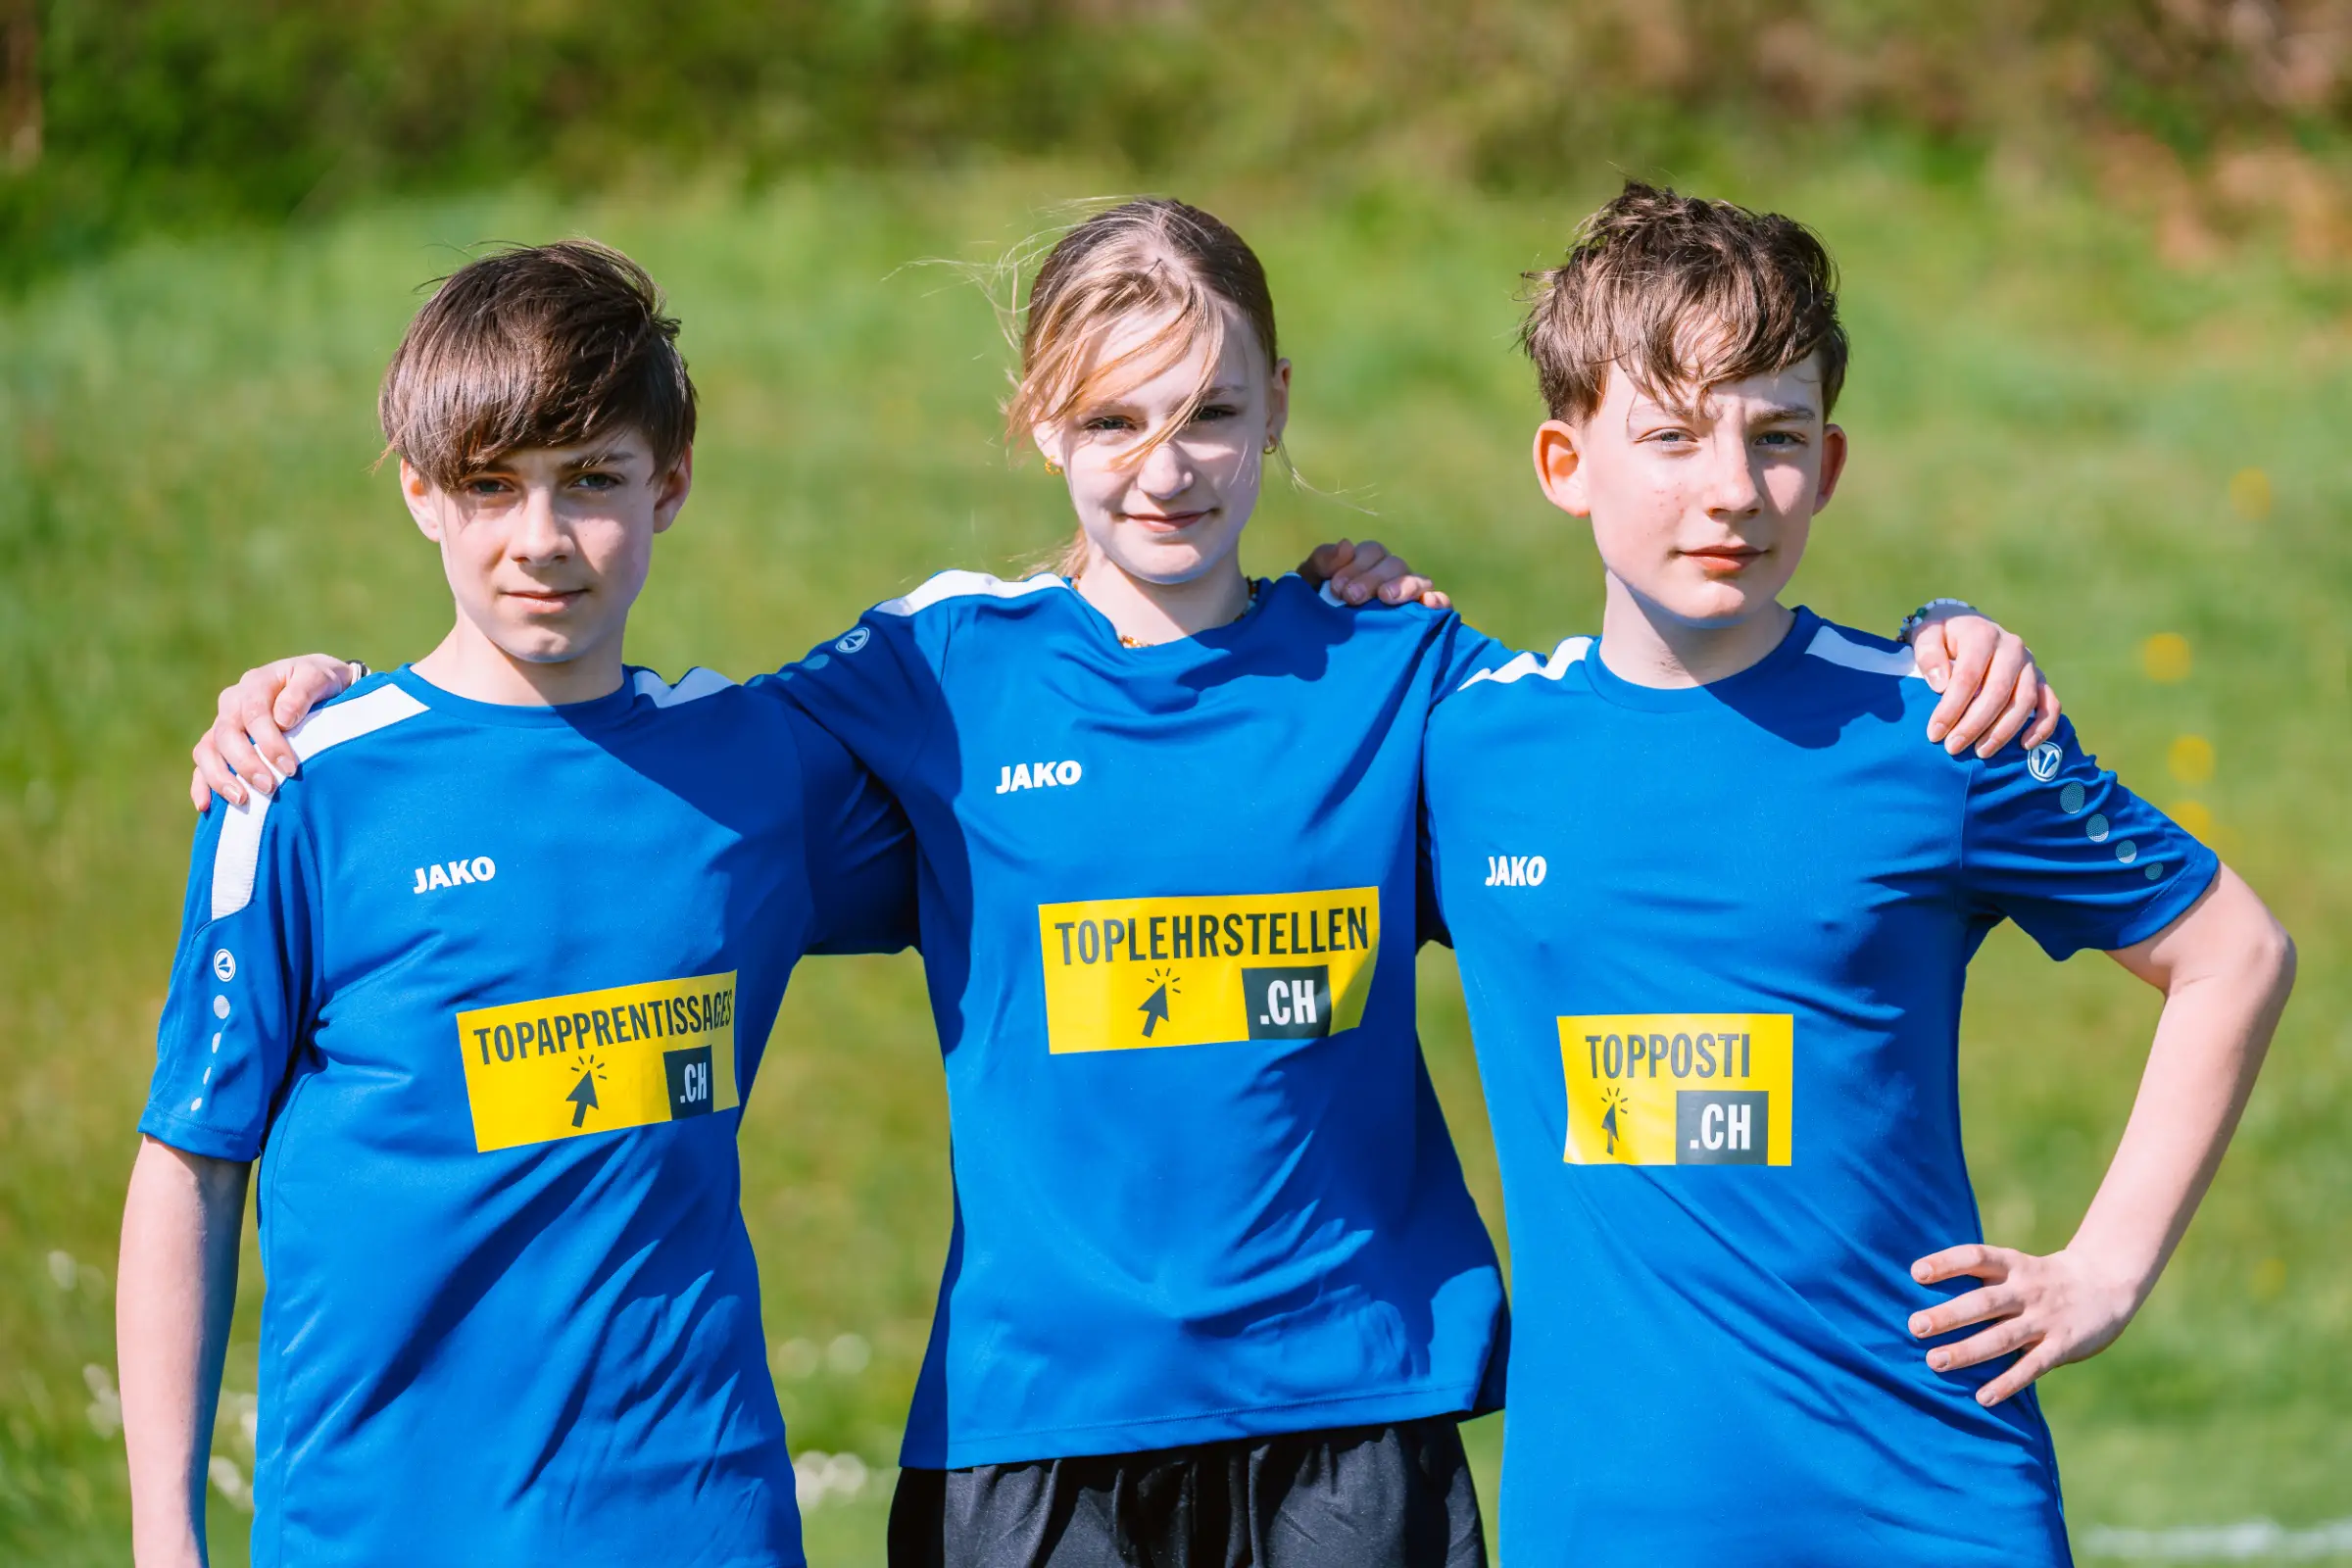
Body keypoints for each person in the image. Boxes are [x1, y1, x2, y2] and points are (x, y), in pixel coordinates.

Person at [188, 200, 2056, 1568]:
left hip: (1355, 1419)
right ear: (1036, 425)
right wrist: (330, 701)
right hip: (1035, 1442)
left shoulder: (1404, 679)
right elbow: (604, 766)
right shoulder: (930, 675)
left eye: (1213, 417)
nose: (1167, 468)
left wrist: (1936, 651)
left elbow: (1663, 720)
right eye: (1112, 422)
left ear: (1277, 409)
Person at [1419, 182, 2297, 1564]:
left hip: (1927, 1501)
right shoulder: (1462, 744)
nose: (1731, 489)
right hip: (1610, 1518)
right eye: (1670, 436)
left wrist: (2105, 1269)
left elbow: (2233, 952)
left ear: (1827, 466)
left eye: (1777, 438)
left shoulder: (1941, 727)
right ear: (1561, 462)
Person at [117, 242, 921, 1568]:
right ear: (422, 492)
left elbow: (1047, 810)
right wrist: (164, 1540)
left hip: (698, 1524)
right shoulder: (298, 784)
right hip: (378, 1528)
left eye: (592, 481)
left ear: (670, 486)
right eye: (492, 487)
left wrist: (1335, 614)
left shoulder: (761, 770)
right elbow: (190, 1166)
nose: (540, 540)